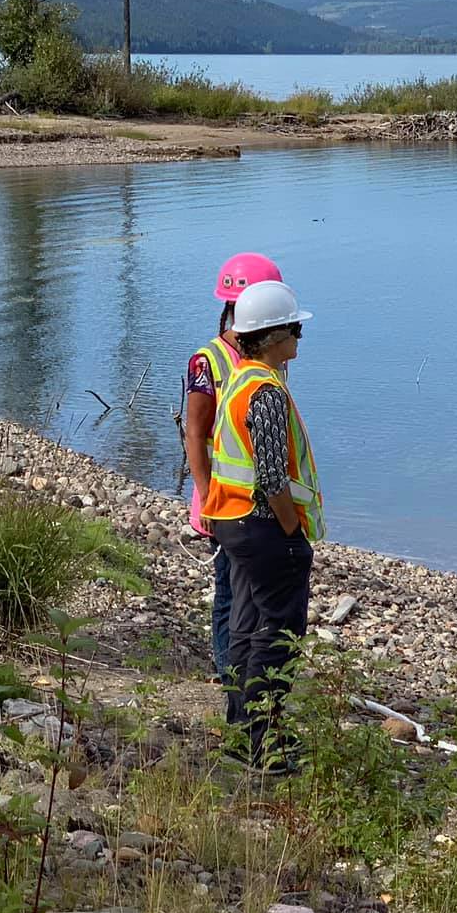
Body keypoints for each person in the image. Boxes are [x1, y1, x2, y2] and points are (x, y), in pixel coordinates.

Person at [201, 279, 322, 774]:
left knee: (248, 629)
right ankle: (265, 746)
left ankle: (242, 733)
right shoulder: (266, 392)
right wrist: (293, 531)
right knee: (277, 634)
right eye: (295, 328)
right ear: (272, 336)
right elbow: (273, 476)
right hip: (263, 527)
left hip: (231, 522)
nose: (300, 336)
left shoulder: (239, 377)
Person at [183, 252, 284, 680]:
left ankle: (253, 671)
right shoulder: (209, 361)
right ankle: (230, 676)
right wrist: (208, 498)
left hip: (264, 503)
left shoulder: (269, 357)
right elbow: (195, 433)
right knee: (229, 592)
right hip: (225, 503)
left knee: (261, 595)